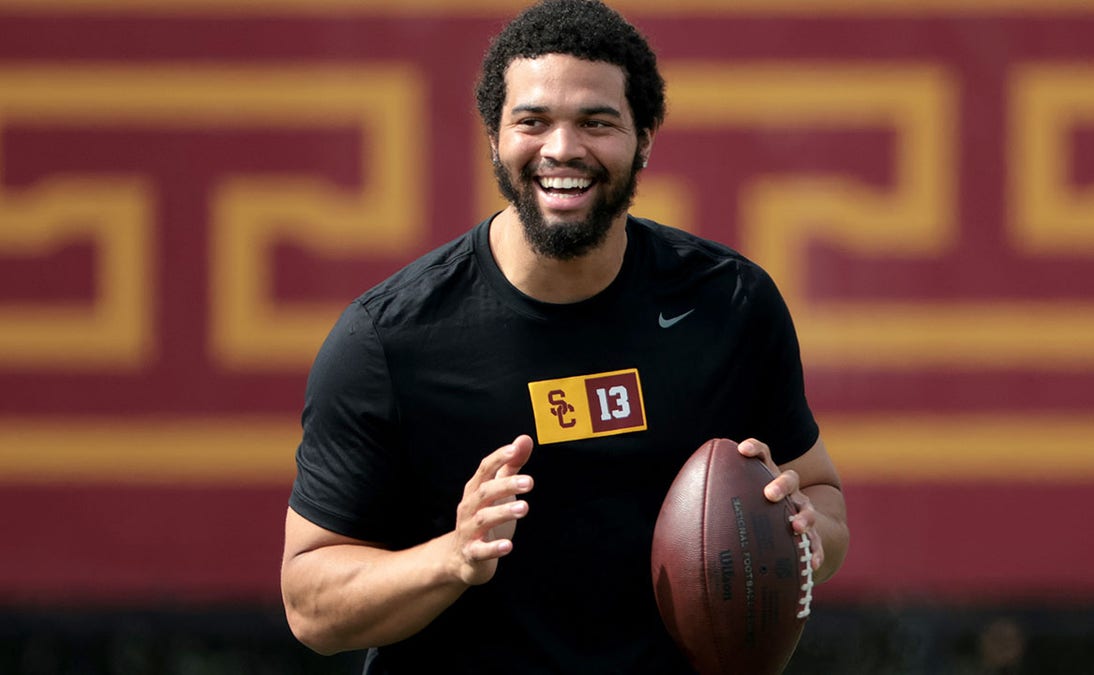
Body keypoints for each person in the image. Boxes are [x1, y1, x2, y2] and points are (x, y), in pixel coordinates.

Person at [280, 1, 849, 673]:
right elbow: (310, 605)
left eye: (596, 122)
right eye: (533, 121)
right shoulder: (389, 340)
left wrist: (805, 535)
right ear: (494, 137)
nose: (562, 149)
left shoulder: (730, 305)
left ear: (645, 137)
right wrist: (454, 556)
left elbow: (822, 500)